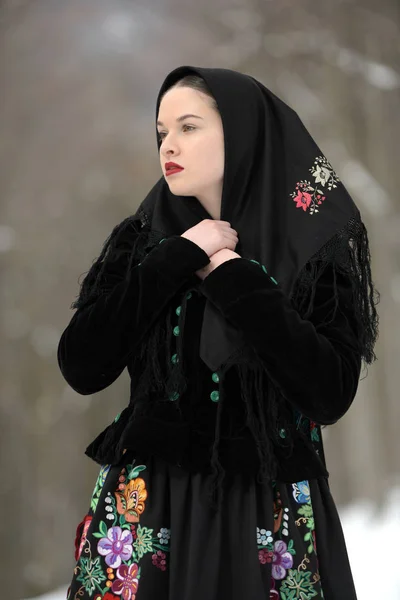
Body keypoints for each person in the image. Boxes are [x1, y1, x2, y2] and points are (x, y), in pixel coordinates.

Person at [58, 66, 379, 600]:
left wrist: (235, 279)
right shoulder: (142, 240)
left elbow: (330, 392)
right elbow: (82, 365)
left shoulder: (314, 247)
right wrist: (176, 257)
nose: (169, 146)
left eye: (189, 127)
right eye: (161, 132)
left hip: (268, 515)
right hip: (148, 510)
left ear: (242, 132)